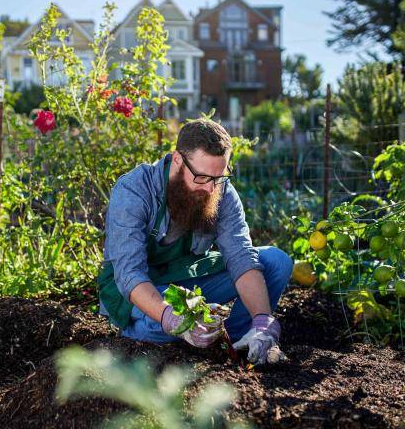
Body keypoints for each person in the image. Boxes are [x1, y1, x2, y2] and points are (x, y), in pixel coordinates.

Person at [97, 118, 293, 365]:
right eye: (201, 178)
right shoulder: (135, 190)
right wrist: (171, 317)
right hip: (138, 288)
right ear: (178, 160)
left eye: (218, 177)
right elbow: (129, 274)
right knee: (163, 325)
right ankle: (137, 336)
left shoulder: (221, 191)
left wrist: (263, 320)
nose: (211, 188)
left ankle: (240, 339)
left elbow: (241, 256)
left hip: (186, 279)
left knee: (276, 262)